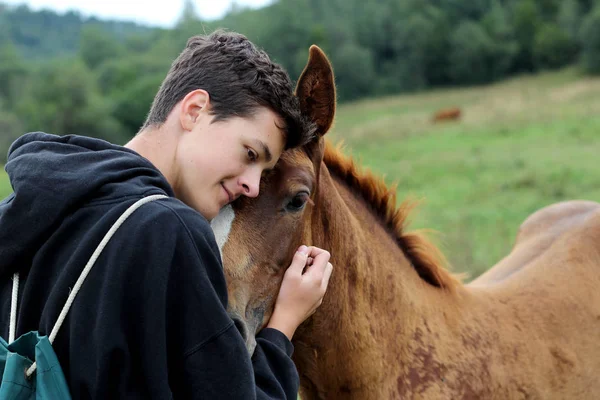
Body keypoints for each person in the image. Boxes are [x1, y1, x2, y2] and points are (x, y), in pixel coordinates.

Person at [0, 30, 333, 399]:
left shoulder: (21, 214)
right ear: (194, 110)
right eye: (250, 154)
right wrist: (282, 328)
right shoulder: (169, 231)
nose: (252, 186)